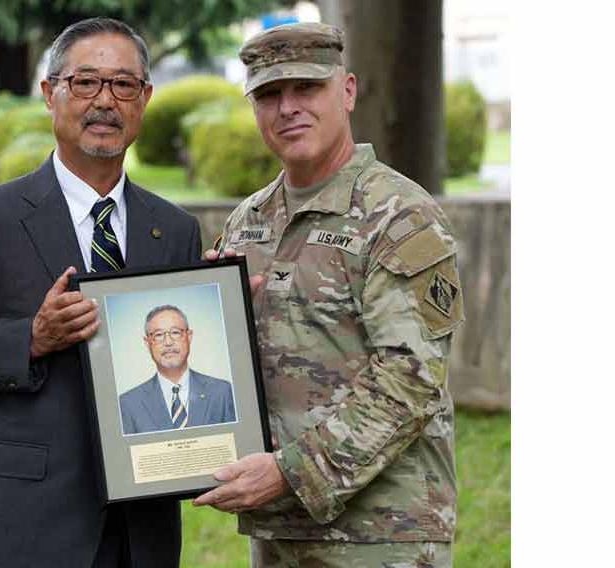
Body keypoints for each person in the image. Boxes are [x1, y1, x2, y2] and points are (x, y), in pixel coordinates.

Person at [0, 17, 202, 568]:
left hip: (141, 530)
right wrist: (31, 338)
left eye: (123, 85)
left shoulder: (175, 227)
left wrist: (223, 316)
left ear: (145, 98)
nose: (105, 101)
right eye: (86, 82)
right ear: (50, 93)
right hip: (25, 521)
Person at [193, 22, 465, 567]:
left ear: (347, 91)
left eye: (306, 88)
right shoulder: (250, 221)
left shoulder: (399, 215)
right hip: (279, 531)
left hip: (381, 532)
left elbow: (408, 377)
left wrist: (291, 472)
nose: (287, 107)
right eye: (269, 94)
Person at [119, 305, 236, 434]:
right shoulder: (129, 403)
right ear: (147, 343)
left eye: (175, 332)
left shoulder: (222, 392)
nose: (168, 342)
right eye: (158, 335)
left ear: (189, 336)